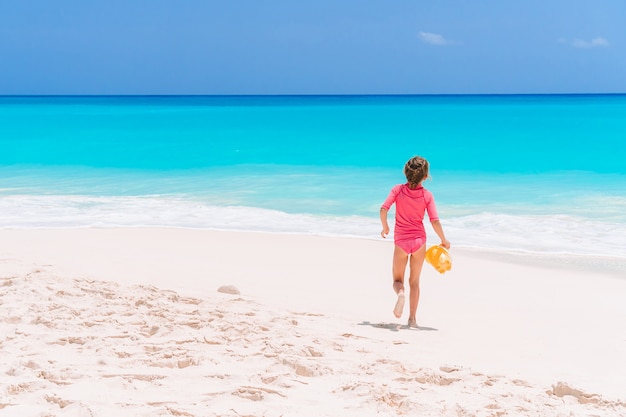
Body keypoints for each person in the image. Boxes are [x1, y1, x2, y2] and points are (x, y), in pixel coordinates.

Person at [380, 156, 450, 328]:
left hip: (401, 242)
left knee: (397, 281)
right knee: (415, 282)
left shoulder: (397, 190)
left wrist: (385, 227)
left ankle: (401, 294)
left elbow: (383, 209)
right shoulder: (427, 195)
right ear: (425, 176)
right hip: (419, 242)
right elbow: (434, 220)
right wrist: (444, 239)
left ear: (406, 172)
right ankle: (412, 320)